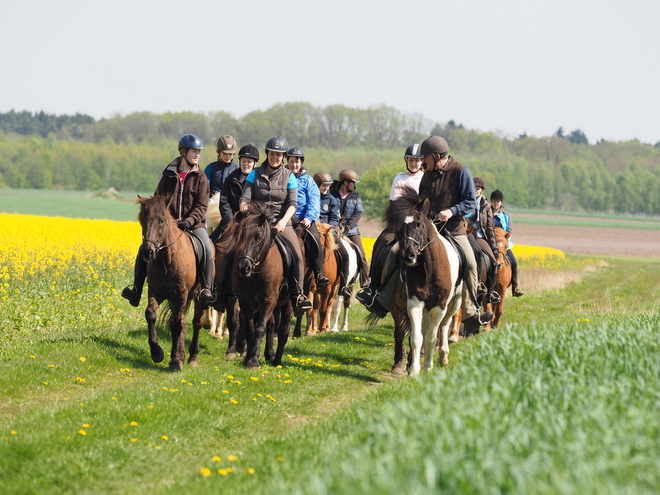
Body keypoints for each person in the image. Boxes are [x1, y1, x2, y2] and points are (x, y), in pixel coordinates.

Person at [357, 136, 493, 328]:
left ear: (437, 156)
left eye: (426, 158)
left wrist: (451, 211)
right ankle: (382, 301)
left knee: (471, 260)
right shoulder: (428, 173)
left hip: (454, 229)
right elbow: (421, 200)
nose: (423, 162)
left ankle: (471, 312)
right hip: (428, 230)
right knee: (397, 252)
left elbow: (470, 202)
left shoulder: (460, 172)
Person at [122, 134, 215, 307]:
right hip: (168, 225)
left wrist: (189, 220)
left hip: (193, 225)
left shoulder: (201, 177)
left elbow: (202, 206)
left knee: (207, 248)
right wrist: (165, 219)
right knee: (144, 247)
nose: (197, 155)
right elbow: (158, 201)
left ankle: (206, 289)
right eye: (194, 151)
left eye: (199, 152)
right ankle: (136, 289)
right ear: (183, 152)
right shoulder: (168, 174)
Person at [238, 136, 312, 314]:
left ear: (283, 157)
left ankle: (298, 293)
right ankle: (224, 289)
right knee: (233, 249)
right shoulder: (254, 173)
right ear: (267, 154)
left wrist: (283, 222)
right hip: (257, 222)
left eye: (279, 155)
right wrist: (245, 210)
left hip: (281, 222)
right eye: (272, 154)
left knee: (297, 254)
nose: (275, 158)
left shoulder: (289, 176)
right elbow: (245, 198)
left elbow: (293, 204)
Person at [357, 144, 425, 309]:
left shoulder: (426, 178)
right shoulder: (399, 179)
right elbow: (394, 205)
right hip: (400, 224)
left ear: (421, 161)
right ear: (406, 161)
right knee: (380, 244)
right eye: (411, 160)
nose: (414, 163)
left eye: (416, 160)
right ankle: (372, 289)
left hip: (421, 224)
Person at [286, 147, 329, 287]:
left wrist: (309, 218)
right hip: (284, 218)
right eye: (292, 161)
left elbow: (314, 201)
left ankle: (319, 271)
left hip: (302, 219)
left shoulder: (308, 181)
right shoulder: (282, 176)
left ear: (301, 163)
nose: (294, 164)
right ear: (288, 161)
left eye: (297, 162)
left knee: (315, 239)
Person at [314, 171, 353, 299]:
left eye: (328, 186)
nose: (326, 188)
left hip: (328, 232)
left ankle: (343, 286)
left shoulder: (332, 199)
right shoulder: (312, 197)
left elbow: (335, 218)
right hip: (314, 230)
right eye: (324, 185)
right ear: (317, 185)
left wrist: (329, 228)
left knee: (345, 254)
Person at [209, 144, 259, 243]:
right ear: (239, 162)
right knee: (210, 244)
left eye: (249, 162)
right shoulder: (230, 179)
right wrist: (231, 222)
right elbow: (224, 203)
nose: (246, 164)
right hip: (230, 222)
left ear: (255, 164)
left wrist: (248, 222)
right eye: (243, 161)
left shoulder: (259, 181)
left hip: (252, 224)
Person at [330, 169, 369, 287]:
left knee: (361, 254)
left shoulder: (355, 195)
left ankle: (366, 282)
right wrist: (336, 227)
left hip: (351, 230)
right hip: (334, 229)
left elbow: (358, 212)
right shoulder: (332, 194)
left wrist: (347, 227)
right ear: (345, 182)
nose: (354, 185)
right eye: (353, 182)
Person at [466, 177, 501, 304]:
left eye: (478, 188)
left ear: (481, 190)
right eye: (474, 188)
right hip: (465, 234)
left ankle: (490, 292)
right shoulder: (464, 200)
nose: (476, 190)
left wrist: (494, 247)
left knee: (492, 262)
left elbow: (489, 228)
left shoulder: (485, 205)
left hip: (480, 235)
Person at [490, 189, 524, 297]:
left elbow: (510, 230)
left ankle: (515, 286)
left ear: (501, 203)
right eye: (494, 201)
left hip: (503, 245)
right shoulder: (487, 213)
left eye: (498, 202)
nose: (496, 204)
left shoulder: (506, 215)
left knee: (514, 262)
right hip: (490, 244)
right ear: (491, 201)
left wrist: (504, 240)